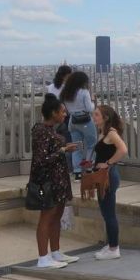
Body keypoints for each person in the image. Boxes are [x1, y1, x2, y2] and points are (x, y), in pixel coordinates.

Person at [30, 94, 79, 269]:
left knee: (57, 216)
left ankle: (56, 252)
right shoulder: (41, 131)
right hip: (47, 181)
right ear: (53, 113)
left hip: (58, 180)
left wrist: (64, 150)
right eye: (62, 111)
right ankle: (43, 257)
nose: (64, 114)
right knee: (47, 217)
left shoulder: (51, 130)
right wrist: (63, 150)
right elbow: (41, 159)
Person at [90, 105, 128, 260]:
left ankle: (114, 248)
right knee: (106, 212)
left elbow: (123, 150)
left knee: (109, 213)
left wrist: (108, 163)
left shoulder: (111, 133)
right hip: (102, 175)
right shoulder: (103, 132)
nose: (94, 117)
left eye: (97, 115)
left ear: (105, 117)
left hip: (108, 176)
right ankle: (111, 244)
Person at [59, 71, 95, 181]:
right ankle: (88, 168)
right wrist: (93, 101)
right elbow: (90, 108)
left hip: (72, 121)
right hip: (85, 121)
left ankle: (77, 172)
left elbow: (67, 108)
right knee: (91, 144)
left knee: (76, 146)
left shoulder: (66, 92)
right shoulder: (84, 92)